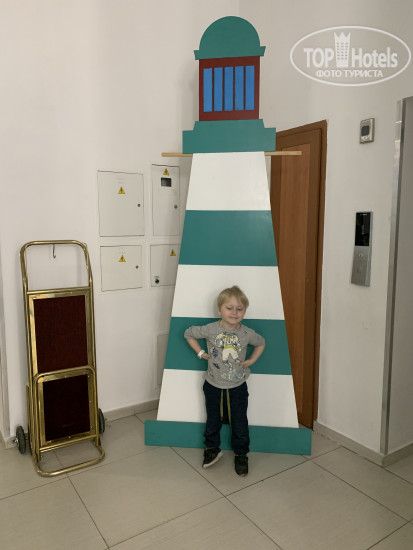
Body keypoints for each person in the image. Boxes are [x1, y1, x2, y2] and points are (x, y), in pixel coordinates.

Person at [184, 285, 265, 476]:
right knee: (213, 419)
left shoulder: (247, 333)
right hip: (213, 385)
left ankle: (241, 454)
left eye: (239, 309)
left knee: (239, 421)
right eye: (229, 308)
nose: (234, 312)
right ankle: (212, 449)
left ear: (244, 311)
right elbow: (188, 334)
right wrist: (201, 353)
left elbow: (261, 343)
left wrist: (251, 360)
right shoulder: (210, 329)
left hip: (238, 386)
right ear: (219, 310)